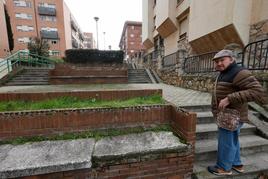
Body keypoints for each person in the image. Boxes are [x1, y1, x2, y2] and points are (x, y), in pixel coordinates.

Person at [207, 49, 267, 176]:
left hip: (232, 116)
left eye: (222, 60)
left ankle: (224, 168)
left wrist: (230, 98)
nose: (219, 63)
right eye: (216, 61)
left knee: (226, 142)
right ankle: (237, 164)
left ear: (231, 59)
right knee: (232, 140)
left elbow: (257, 92)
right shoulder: (225, 72)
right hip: (227, 115)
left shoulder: (239, 72)